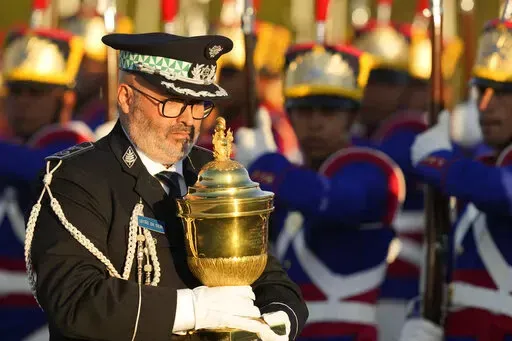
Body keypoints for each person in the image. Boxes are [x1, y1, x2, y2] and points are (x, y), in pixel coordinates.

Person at [25, 32, 308, 341]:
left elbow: (268, 275)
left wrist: (278, 320)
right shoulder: (78, 176)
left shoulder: (210, 170)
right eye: (172, 102)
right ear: (126, 97)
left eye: (198, 103)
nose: (188, 120)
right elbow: (73, 298)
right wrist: (191, 308)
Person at [247, 43, 406, 341]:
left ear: (351, 116)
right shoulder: (289, 176)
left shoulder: (372, 168)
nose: (316, 123)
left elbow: (335, 200)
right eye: (304, 110)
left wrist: (263, 165)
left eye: (330, 111)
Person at [399, 18, 512, 341]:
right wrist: (422, 314)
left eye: (504, 92)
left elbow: (502, 191)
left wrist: (441, 162)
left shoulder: (474, 176)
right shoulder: (481, 167)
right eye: (481, 90)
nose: (486, 105)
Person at [0, 27, 94, 341]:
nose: (22, 102)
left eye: (36, 92)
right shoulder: (13, 145)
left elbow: (39, 170)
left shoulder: (75, 140)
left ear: (64, 99)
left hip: (43, 320)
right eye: (15, 90)